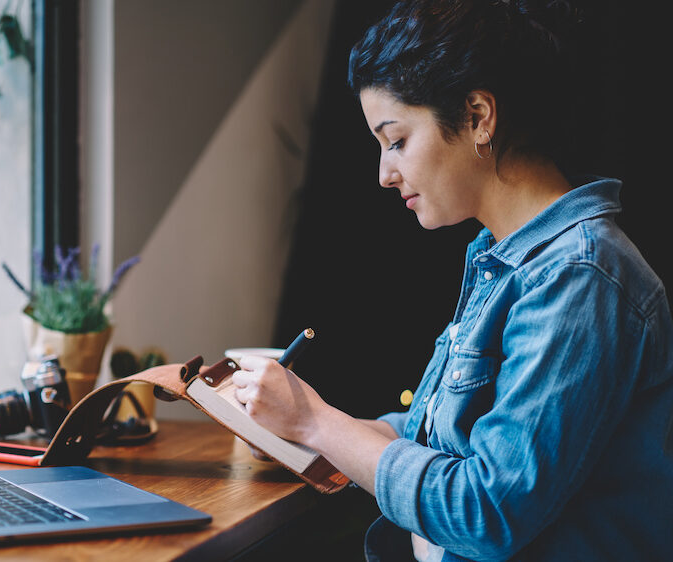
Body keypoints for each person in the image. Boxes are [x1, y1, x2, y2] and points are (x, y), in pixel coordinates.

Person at [230, 1, 673, 560]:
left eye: (395, 140)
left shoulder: (579, 277)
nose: (385, 174)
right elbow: (434, 436)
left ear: (478, 116)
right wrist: (299, 426)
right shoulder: (504, 257)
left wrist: (318, 424)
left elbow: (486, 512)